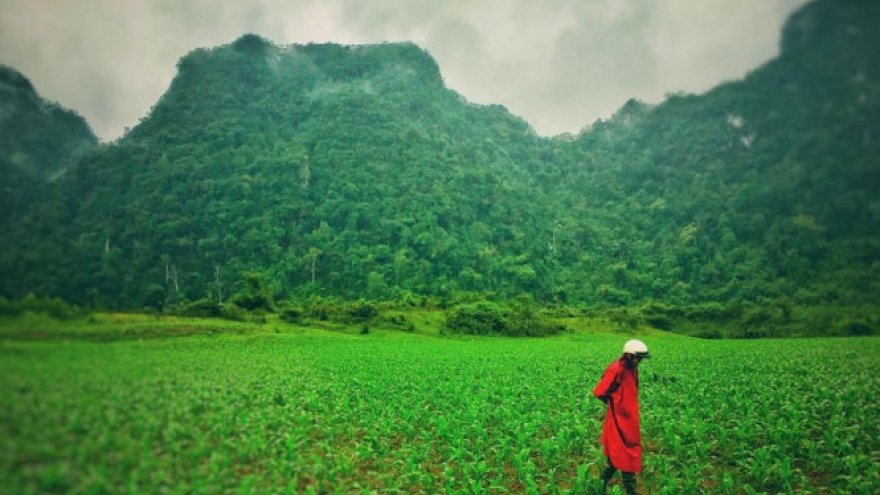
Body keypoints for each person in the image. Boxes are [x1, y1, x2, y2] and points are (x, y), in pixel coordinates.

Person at [592, 339, 650, 495]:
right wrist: (614, 405)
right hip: (618, 420)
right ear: (628, 356)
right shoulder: (615, 369)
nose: (640, 361)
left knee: (616, 456)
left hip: (630, 420)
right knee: (626, 455)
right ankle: (631, 491)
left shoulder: (633, 369)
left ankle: (599, 485)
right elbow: (599, 392)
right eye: (638, 358)